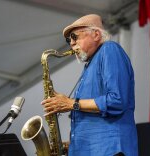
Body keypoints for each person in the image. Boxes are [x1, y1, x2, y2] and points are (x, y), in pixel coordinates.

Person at [41, 14, 138, 156]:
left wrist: (71, 103)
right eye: (69, 40)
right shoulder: (89, 66)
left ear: (96, 34)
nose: (72, 43)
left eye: (75, 37)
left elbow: (117, 101)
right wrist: (74, 145)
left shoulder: (109, 49)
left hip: (110, 150)